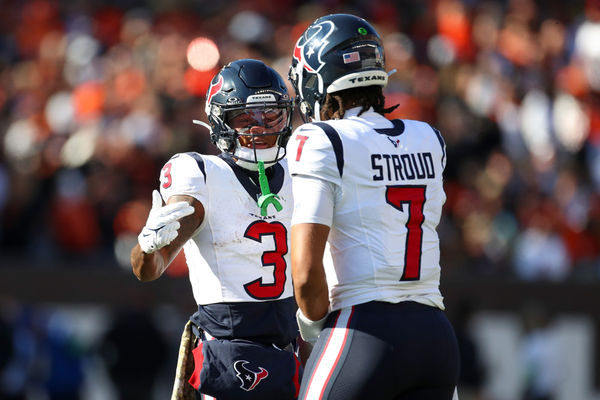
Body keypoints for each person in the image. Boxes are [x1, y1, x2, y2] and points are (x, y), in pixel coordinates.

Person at [286, 13, 460, 400]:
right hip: (435, 336)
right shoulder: (428, 137)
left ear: (319, 79)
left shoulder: (320, 139)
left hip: (363, 330)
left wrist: (312, 323)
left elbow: (304, 272)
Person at [130, 59, 302, 400]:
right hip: (229, 350)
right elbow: (148, 270)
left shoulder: (302, 165)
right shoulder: (201, 174)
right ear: (221, 122)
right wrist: (147, 247)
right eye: (245, 119)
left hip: (292, 343)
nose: (260, 128)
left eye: (271, 116)